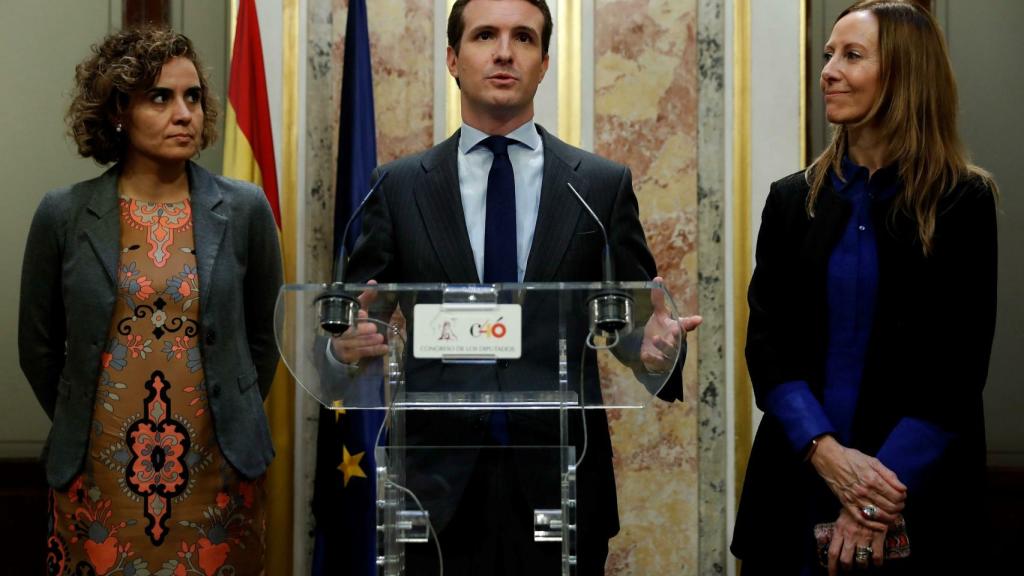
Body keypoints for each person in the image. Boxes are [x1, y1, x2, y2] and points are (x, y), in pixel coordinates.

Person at [328, 0, 700, 573]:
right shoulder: (398, 188)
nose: (504, 52)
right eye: (485, 36)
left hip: (562, 485)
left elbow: (629, 323)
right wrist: (342, 345)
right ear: (454, 58)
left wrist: (653, 351)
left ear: (544, 61)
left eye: (523, 37)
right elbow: (352, 316)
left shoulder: (598, 186)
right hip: (435, 492)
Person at [731, 1, 997, 574]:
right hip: (795, 482)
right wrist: (826, 455)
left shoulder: (963, 202)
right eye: (829, 54)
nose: (828, 69)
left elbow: (958, 364)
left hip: (917, 492)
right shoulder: (789, 199)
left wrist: (871, 499)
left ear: (904, 75)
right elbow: (767, 346)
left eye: (852, 56)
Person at [18, 27, 282, 575]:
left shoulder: (245, 209)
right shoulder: (63, 214)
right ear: (118, 110)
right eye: (160, 97)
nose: (183, 113)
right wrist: (87, 420)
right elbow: (37, 347)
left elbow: (265, 337)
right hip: (99, 476)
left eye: (192, 98)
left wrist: (228, 418)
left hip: (219, 477)